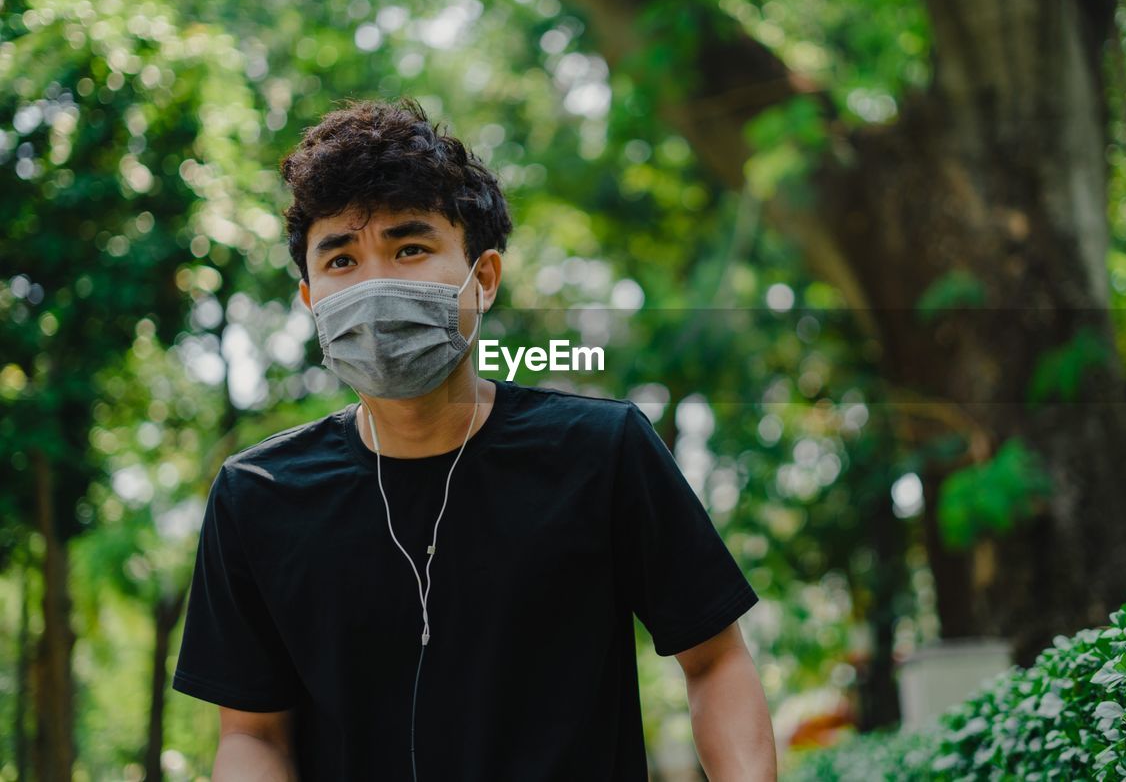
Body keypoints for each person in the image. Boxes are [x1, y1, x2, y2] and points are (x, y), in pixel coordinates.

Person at [172, 97, 776, 780]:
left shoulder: (602, 453)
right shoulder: (257, 496)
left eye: (409, 247)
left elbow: (715, 660)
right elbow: (253, 735)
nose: (375, 284)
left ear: (481, 278)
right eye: (341, 260)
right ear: (312, 299)